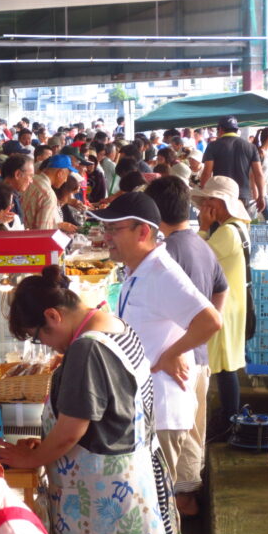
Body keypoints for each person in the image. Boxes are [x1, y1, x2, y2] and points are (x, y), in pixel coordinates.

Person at [0, 266, 176, 534]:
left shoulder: (87, 348)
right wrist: (44, 446)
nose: (45, 345)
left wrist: (31, 459)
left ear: (52, 316)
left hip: (104, 501)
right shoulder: (115, 325)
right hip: (136, 483)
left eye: (37, 337)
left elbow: (71, 431)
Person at [89, 193, 222, 487]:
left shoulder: (162, 273)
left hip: (162, 412)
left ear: (144, 232)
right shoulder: (136, 269)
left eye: (114, 229)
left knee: (158, 511)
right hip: (144, 407)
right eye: (106, 229)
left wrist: (171, 354)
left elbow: (211, 321)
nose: (106, 237)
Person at [145, 176, 228, 516]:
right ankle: (187, 499)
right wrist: (203, 335)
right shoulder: (200, 243)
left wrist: (179, 346)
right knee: (193, 429)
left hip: (178, 359)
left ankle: (183, 503)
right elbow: (221, 288)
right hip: (197, 354)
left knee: (180, 434)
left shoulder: (167, 253)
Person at [191, 176, 251, 439]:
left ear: (221, 202)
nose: (205, 204)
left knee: (226, 368)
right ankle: (229, 418)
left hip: (226, 307)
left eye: (209, 199)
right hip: (233, 304)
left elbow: (198, 260)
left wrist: (203, 228)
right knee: (226, 366)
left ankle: (229, 422)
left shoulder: (227, 232)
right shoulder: (235, 227)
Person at [201, 115, 265, 213]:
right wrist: (261, 196)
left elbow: (206, 173)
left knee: (219, 227)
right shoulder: (251, 147)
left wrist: (204, 195)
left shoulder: (213, 146)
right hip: (243, 196)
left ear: (220, 129)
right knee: (239, 226)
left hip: (220, 195)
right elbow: (259, 174)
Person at [21, 154, 77, 232]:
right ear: (60, 173)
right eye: (66, 176)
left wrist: (59, 225)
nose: (65, 180)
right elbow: (43, 232)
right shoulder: (48, 194)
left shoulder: (31, 180)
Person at [1, 154, 33, 225]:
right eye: (30, 176)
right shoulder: (3, 197)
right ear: (18, 174)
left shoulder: (13, 195)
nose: (31, 181)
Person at [254, 127, 268, 221]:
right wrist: (256, 194)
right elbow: (252, 175)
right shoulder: (260, 154)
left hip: (263, 191)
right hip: (256, 192)